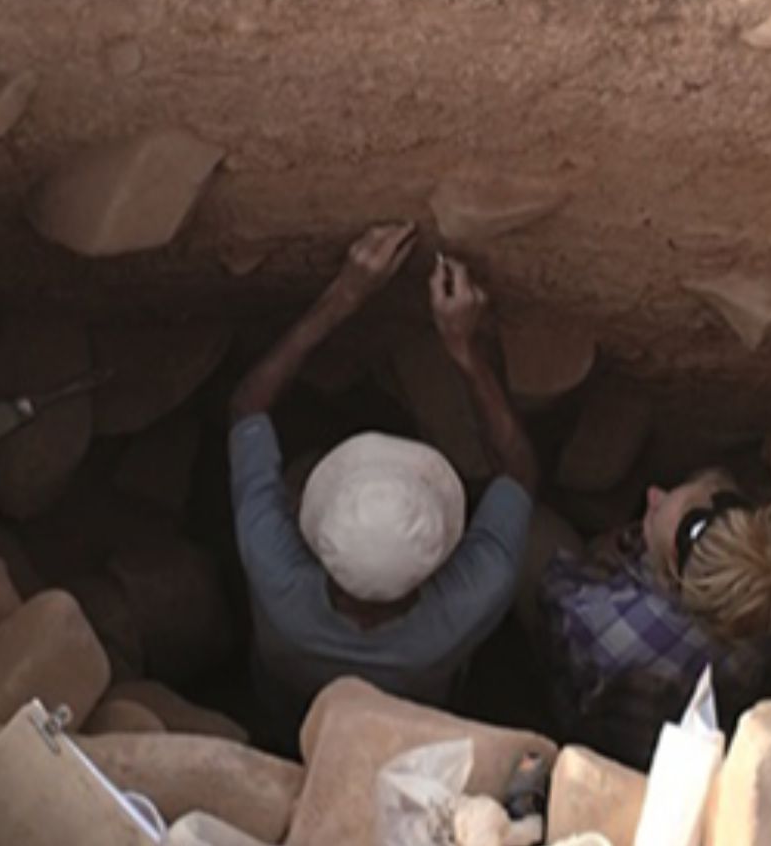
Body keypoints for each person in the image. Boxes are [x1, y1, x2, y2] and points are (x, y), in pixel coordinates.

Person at [227, 223, 539, 741]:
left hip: (289, 713)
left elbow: (246, 408)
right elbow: (520, 473)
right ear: (441, 555)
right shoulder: (471, 600)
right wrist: (464, 348)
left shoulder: (271, 566)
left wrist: (343, 295)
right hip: (407, 726)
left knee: (295, 459)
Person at [536, 470, 771, 765]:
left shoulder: (612, 628)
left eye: (654, 510)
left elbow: (553, 596)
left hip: (613, 747)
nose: (653, 493)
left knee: (536, 530)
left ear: (671, 574)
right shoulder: (768, 599)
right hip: (709, 731)